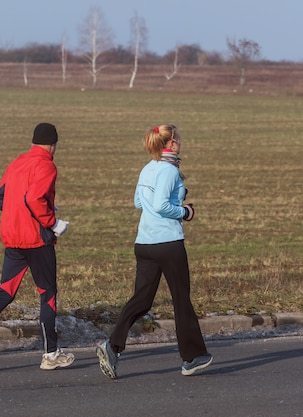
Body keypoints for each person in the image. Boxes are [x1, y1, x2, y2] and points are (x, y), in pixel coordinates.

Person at [96, 123, 212, 379]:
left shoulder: (147, 168)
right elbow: (160, 206)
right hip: (169, 243)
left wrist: (165, 202)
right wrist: (184, 212)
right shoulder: (170, 171)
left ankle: (113, 346)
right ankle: (192, 358)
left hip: (145, 244)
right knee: (181, 300)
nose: (180, 142)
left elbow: (139, 202)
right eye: (178, 139)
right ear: (170, 144)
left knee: (141, 300)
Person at [0, 122, 75, 372]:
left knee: (6, 291)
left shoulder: (17, 162)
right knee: (47, 294)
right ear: (53, 144)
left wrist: (29, 212)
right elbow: (34, 198)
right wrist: (52, 222)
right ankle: (50, 353)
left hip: (12, 236)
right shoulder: (47, 164)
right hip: (36, 239)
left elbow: (2, 199)